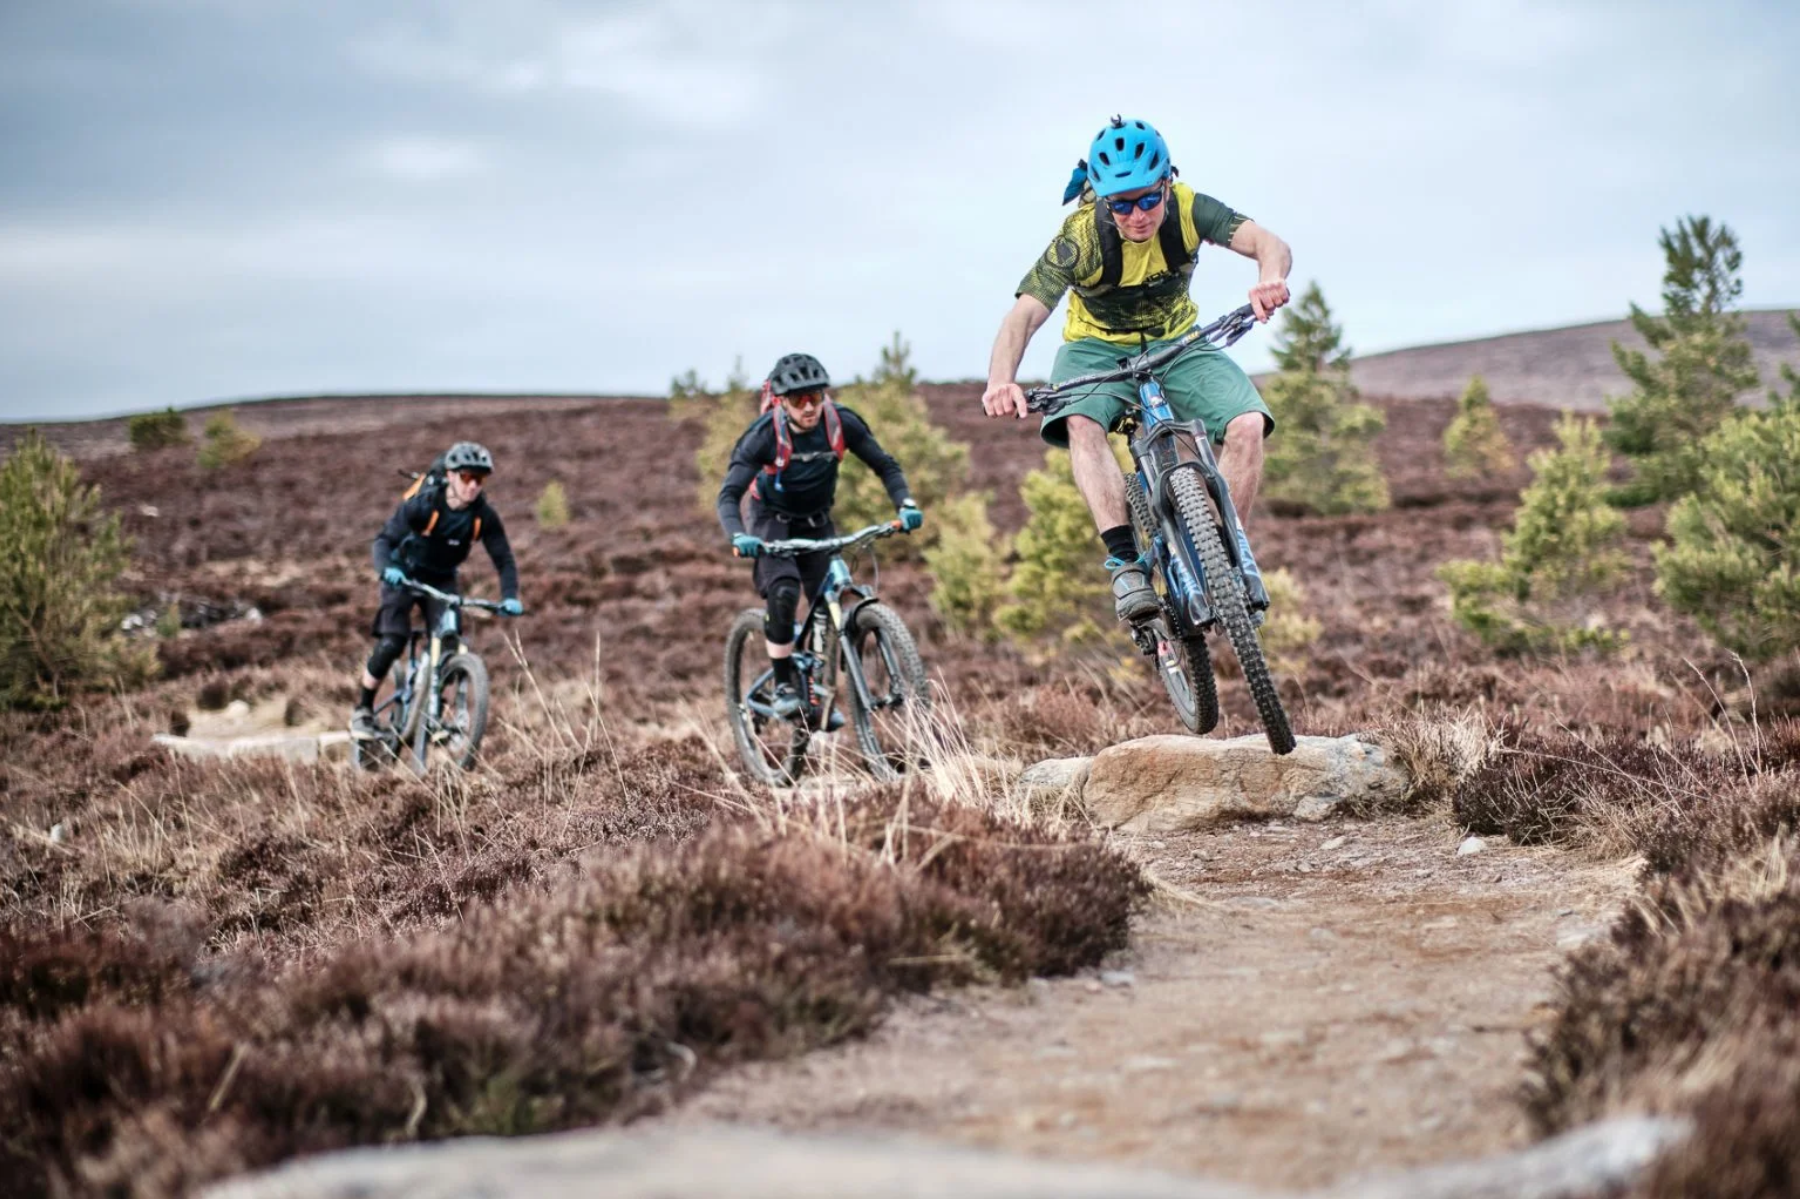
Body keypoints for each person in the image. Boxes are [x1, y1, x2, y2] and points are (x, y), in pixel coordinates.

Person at [981, 116, 1293, 624]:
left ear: (1166, 183)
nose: (1137, 214)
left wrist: (1270, 278)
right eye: (1120, 204)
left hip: (1178, 341)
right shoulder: (1080, 237)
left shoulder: (1190, 208)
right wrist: (1001, 380)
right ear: (1103, 199)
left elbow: (1268, 244)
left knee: (1248, 425)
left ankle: (1223, 556)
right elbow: (1023, 316)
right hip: (1095, 349)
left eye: (1148, 198)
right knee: (1081, 424)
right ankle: (1125, 564)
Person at [717, 352, 921, 717]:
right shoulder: (764, 436)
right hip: (771, 521)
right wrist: (737, 535)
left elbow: (885, 465)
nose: (809, 406)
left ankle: (817, 689)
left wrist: (905, 504)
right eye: (799, 400)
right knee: (783, 590)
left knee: (827, 602)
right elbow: (729, 495)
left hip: (816, 520)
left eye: (816, 396)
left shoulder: (841, 423)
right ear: (782, 401)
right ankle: (782, 684)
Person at [349, 441, 522, 739]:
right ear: (451, 475)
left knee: (449, 642)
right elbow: (384, 540)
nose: (472, 486)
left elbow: (504, 558)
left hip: (442, 579)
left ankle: (435, 709)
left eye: (479, 479)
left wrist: (509, 596)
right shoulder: (424, 505)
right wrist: (387, 569)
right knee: (393, 640)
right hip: (403, 574)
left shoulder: (483, 516)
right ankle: (363, 710)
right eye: (467, 477)